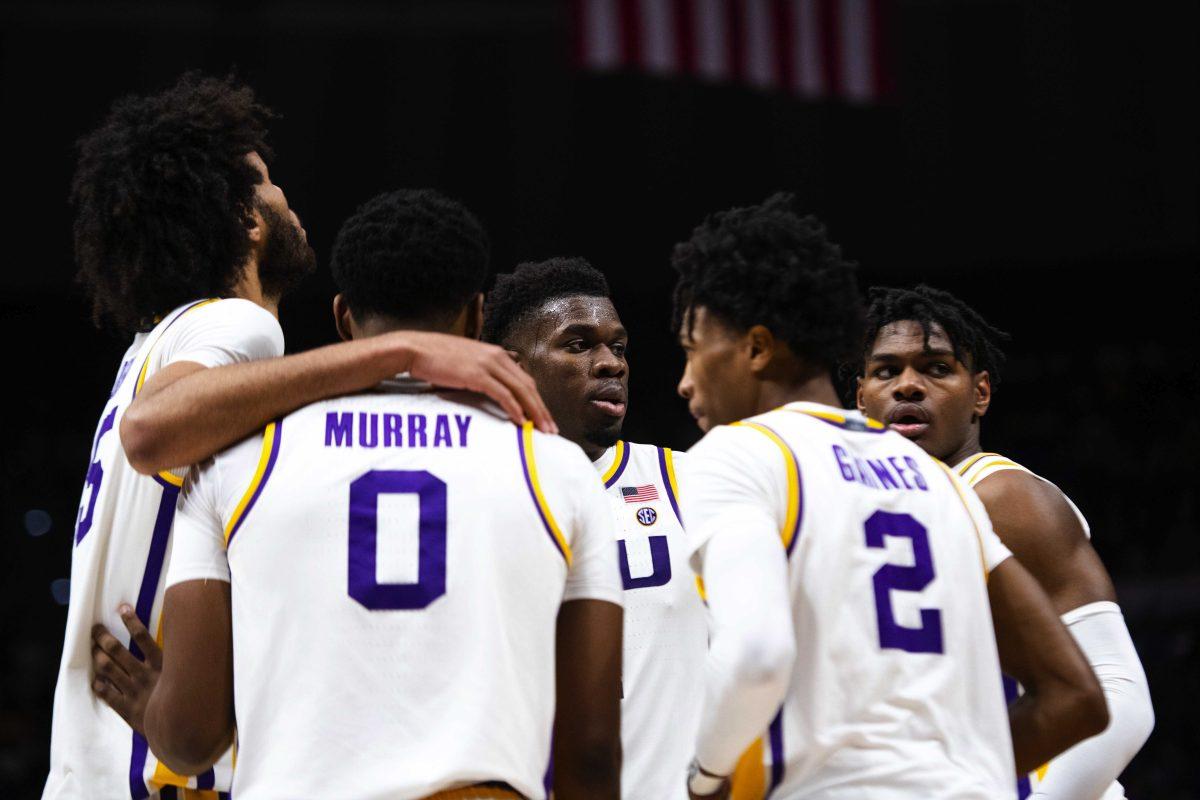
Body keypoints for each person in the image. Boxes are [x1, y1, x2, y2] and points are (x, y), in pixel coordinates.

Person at [55, 73, 552, 800]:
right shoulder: (239, 324)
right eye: (266, 181)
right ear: (248, 221)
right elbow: (151, 430)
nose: (286, 195)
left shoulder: (152, 345)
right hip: (150, 773)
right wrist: (399, 353)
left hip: (99, 757)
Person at [126, 189, 624, 800]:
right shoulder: (556, 467)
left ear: (341, 319)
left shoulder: (236, 464)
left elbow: (189, 737)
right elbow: (593, 752)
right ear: (475, 315)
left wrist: (159, 711)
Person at [670, 193, 1108, 799]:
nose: (685, 379)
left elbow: (757, 654)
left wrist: (705, 777)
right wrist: (957, 777)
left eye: (693, 349)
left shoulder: (737, 452)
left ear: (756, 348)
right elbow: (1077, 699)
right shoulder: (936, 478)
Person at [856, 284, 1153, 800]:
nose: (908, 386)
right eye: (887, 371)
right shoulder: (864, 515)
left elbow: (1120, 694)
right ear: (861, 399)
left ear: (981, 393)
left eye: (936, 368)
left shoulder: (1001, 495)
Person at [483, 258, 707, 800]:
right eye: (579, 345)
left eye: (619, 347)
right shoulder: (475, 489)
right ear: (513, 366)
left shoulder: (689, 479)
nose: (611, 364)